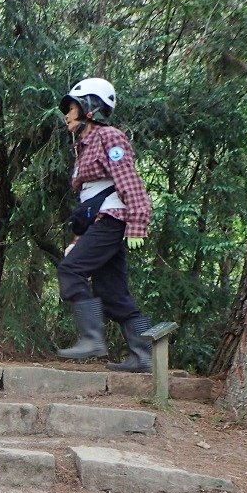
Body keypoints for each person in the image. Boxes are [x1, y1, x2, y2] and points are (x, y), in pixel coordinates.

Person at [55, 77, 154, 373]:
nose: (66, 115)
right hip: (100, 221)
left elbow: (129, 182)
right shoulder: (84, 145)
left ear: (89, 108)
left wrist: (138, 222)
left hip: (114, 221)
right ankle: (144, 356)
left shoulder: (109, 137)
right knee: (112, 293)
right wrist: (79, 238)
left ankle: (92, 339)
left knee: (70, 269)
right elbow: (91, 197)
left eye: (71, 108)